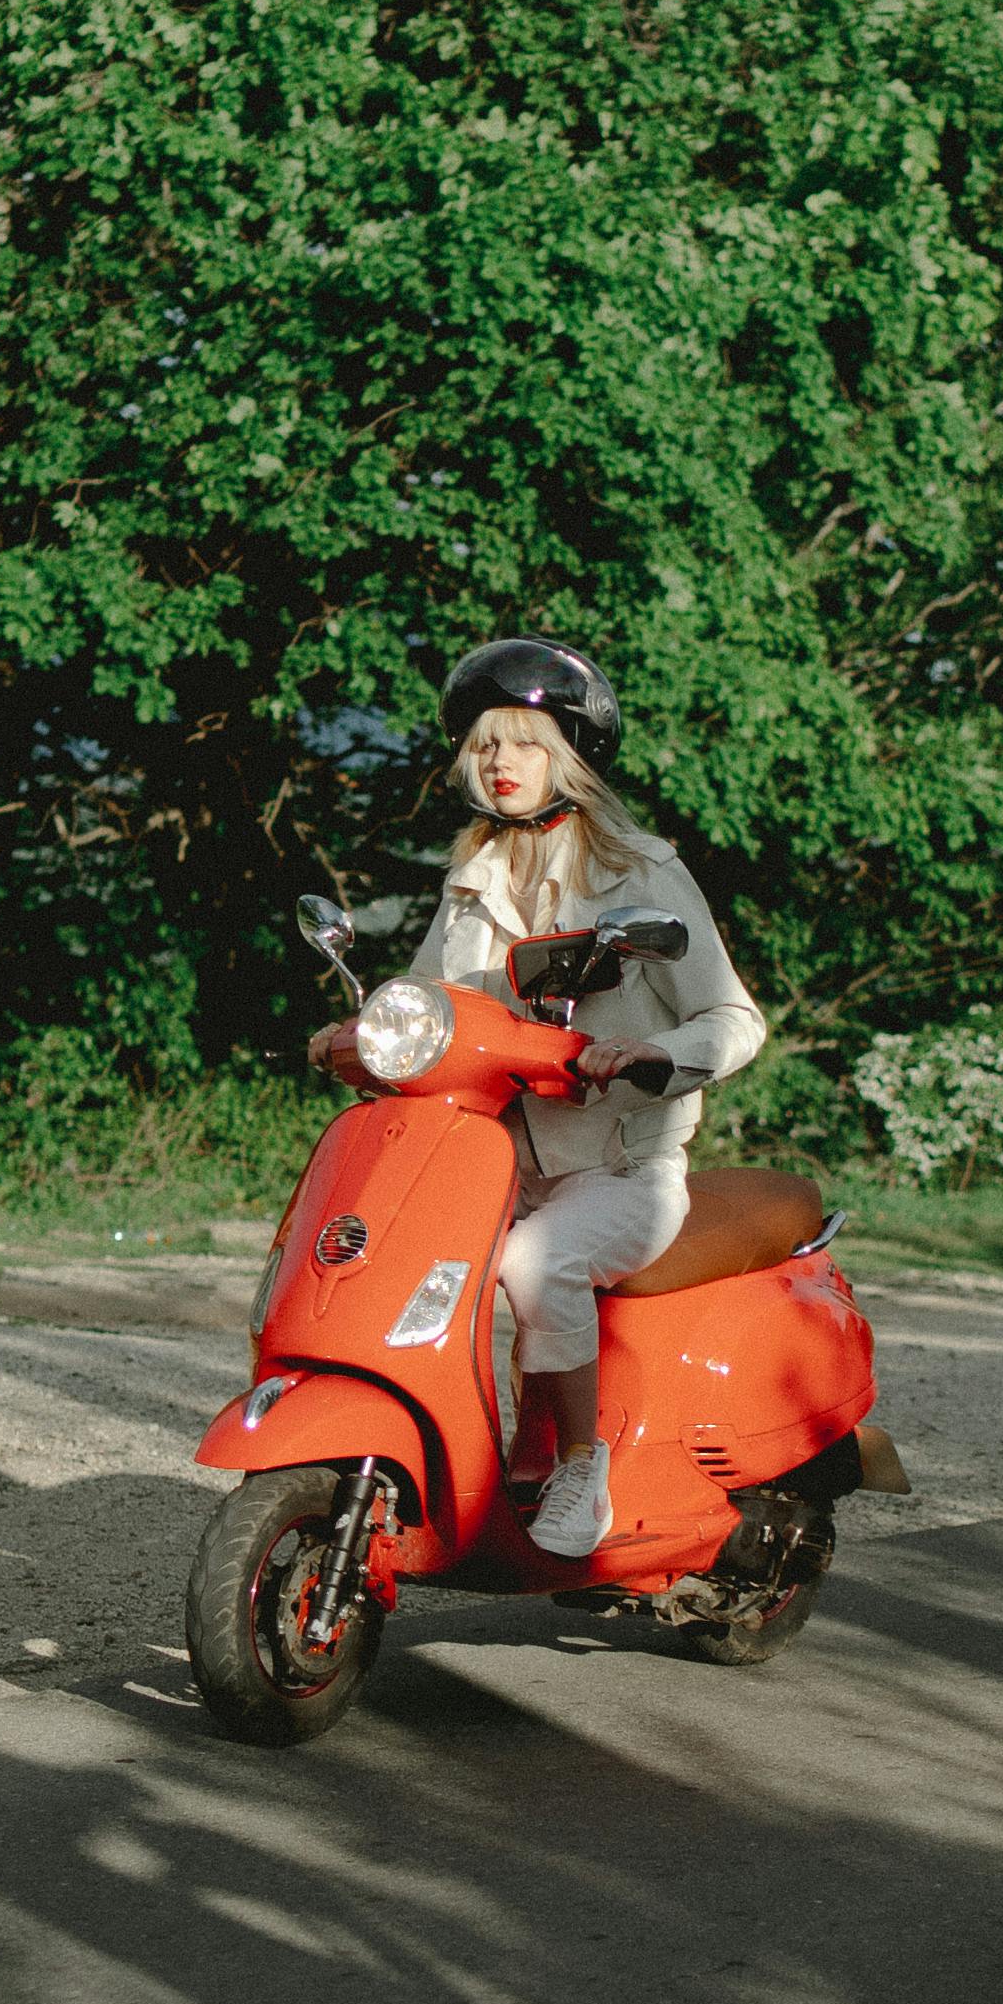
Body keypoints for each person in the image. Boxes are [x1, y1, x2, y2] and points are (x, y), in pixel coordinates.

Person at [305, 637, 764, 1554]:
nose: (501, 763)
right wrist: (364, 1035)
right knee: (401, 1260)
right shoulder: (472, 877)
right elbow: (438, 1003)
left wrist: (649, 1053)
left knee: (531, 1264)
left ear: (570, 757)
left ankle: (580, 1464)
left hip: (625, 1169)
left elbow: (733, 1018)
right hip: (496, 1156)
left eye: (522, 742)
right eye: (484, 745)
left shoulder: (640, 871)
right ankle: (470, 1451)